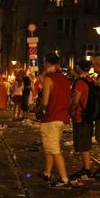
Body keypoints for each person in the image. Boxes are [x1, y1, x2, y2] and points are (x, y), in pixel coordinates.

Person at [36, 53, 71, 188]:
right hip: (62, 117)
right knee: (49, 147)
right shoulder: (64, 79)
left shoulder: (49, 79)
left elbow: (44, 102)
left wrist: (38, 109)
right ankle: (47, 173)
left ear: (46, 63)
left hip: (51, 116)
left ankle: (64, 179)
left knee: (54, 149)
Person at [68, 60, 94, 180]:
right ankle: (86, 167)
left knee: (82, 143)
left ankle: (86, 168)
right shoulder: (90, 81)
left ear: (79, 68)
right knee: (85, 142)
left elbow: (76, 99)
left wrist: (71, 110)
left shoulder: (79, 82)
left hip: (80, 115)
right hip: (89, 114)